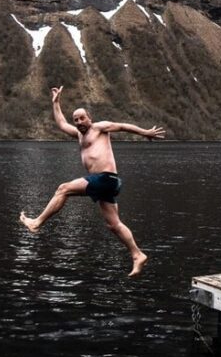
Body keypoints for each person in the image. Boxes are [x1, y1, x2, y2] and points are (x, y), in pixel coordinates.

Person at [19, 86, 166, 277]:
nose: (79, 122)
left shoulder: (99, 127)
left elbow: (122, 126)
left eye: (82, 118)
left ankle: (37, 223)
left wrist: (145, 132)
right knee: (114, 225)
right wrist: (55, 103)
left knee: (63, 189)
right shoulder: (79, 135)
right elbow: (62, 124)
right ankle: (137, 255)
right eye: (76, 120)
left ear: (90, 118)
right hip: (106, 185)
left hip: (105, 178)